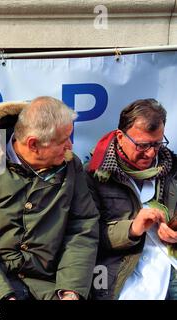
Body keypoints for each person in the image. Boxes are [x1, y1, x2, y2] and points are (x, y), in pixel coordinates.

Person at [0, 96, 99, 300]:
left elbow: (81, 229)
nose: (70, 147)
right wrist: (3, 296)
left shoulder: (71, 167)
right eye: (63, 141)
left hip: (49, 284)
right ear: (34, 144)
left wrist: (70, 290)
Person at [86, 98, 177, 300]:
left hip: (170, 271)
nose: (152, 153)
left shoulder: (173, 167)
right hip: (119, 276)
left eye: (157, 144)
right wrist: (132, 229)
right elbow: (84, 236)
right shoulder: (93, 174)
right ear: (120, 136)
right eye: (143, 145)